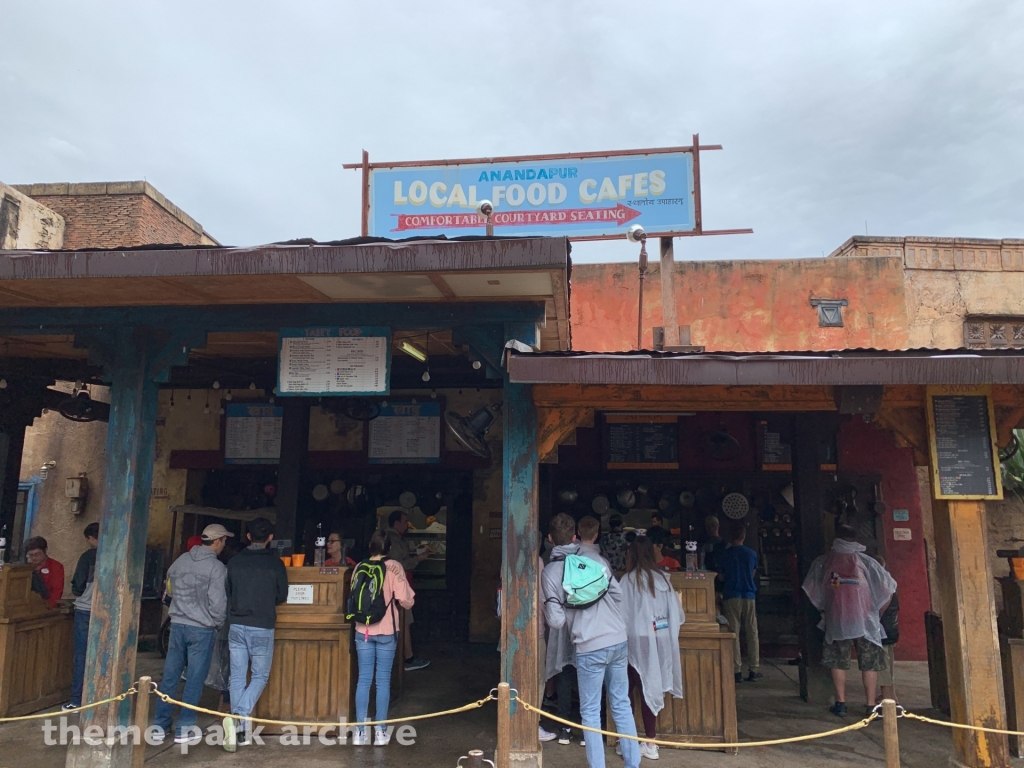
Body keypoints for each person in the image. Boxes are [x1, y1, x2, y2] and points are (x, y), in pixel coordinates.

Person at [542, 512, 640, 768]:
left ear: (550, 539)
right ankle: (633, 763)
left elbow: (555, 621)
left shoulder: (551, 572)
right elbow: (618, 596)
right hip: (617, 639)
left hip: (589, 645)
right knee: (621, 703)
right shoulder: (596, 560)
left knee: (590, 713)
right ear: (575, 536)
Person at [802, 525, 896, 717]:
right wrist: (875, 614)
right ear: (856, 539)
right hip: (865, 620)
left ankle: (841, 703)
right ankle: (870, 705)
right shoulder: (868, 562)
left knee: (838, 661)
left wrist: (823, 611)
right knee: (869, 662)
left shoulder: (824, 562)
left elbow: (811, 589)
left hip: (837, 619)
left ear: (836, 537)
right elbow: (888, 589)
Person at [153, 524, 232, 744]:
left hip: (177, 625)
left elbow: (168, 590)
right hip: (202, 628)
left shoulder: (180, 561)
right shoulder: (216, 568)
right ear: (217, 542)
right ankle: (184, 728)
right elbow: (218, 602)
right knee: (195, 678)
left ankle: (160, 726)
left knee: (170, 676)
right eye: (224, 541)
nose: (224, 545)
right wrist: (217, 623)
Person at [224, 517, 288, 750]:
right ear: (270, 538)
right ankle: (239, 717)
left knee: (238, 678)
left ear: (248, 536)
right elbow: (282, 596)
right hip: (262, 625)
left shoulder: (234, 562)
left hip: (237, 625)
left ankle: (240, 730)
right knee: (260, 676)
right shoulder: (275, 564)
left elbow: (228, 590)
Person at [620, 535, 683, 760]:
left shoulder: (627, 581)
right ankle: (651, 741)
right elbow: (677, 615)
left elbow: (620, 614)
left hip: (634, 642)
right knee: (650, 688)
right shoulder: (663, 580)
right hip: (659, 640)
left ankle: (626, 741)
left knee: (626, 692)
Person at [352, 529, 415, 745]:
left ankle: (359, 732)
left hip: (363, 631)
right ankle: (380, 731)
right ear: (388, 548)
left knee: (363, 679)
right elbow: (406, 600)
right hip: (387, 630)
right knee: (382, 681)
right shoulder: (394, 567)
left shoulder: (359, 567)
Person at [385, 509, 430, 671]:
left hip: (393, 588)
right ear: (396, 523)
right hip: (397, 588)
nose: (407, 524)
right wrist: (417, 559)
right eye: (404, 521)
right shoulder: (394, 540)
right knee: (405, 621)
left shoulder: (391, 538)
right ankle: (408, 659)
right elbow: (398, 565)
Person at [717, 522, 762, 683]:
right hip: (749, 594)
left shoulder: (726, 554)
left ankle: (736, 670)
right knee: (752, 632)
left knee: (733, 633)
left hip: (731, 594)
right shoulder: (751, 554)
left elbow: (721, 576)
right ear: (744, 536)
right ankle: (754, 668)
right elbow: (753, 572)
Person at [64, 522, 99, 710]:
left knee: (81, 656)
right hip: (108, 612)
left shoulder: (87, 557)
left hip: (85, 610)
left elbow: (78, 585)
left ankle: (77, 700)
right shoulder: (117, 556)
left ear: (92, 538)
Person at [874, 555, 900, 703]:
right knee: (889, 664)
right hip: (892, 627)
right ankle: (892, 695)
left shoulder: (881, 585)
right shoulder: (891, 582)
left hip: (882, 628)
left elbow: (882, 607)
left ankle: (888, 696)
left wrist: (875, 619)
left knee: (883, 664)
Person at [25, 536, 64, 609]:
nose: (34, 558)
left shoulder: (56, 567)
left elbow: (57, 591)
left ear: (45, 550)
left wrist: (48, 606)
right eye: (31, 555)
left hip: (46, 607)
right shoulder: (25, 567)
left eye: (37, 554)